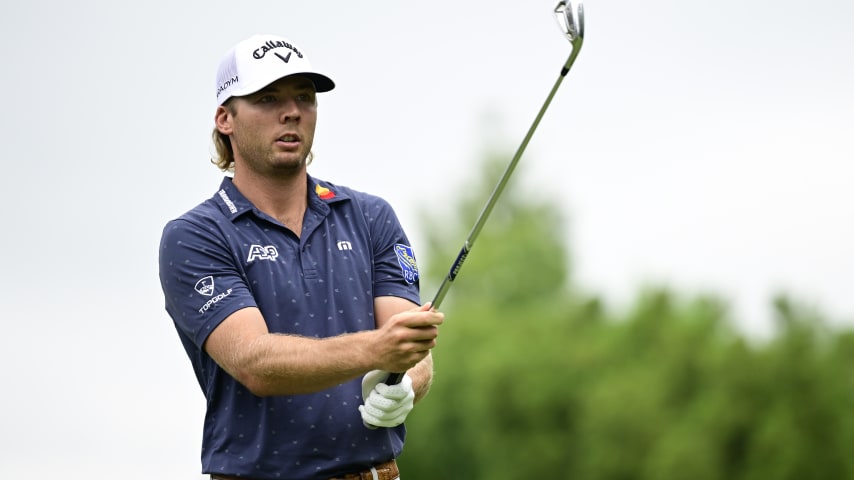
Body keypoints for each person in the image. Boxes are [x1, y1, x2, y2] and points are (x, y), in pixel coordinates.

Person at [158, 34, 444, 480]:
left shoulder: (369, 217)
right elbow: (256, 362)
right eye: (267, 98)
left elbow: (407, 339)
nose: (291, 111)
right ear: (225, 119)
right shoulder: (196, 235)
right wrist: (377, 348)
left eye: (304, 97)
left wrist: (408, 382)